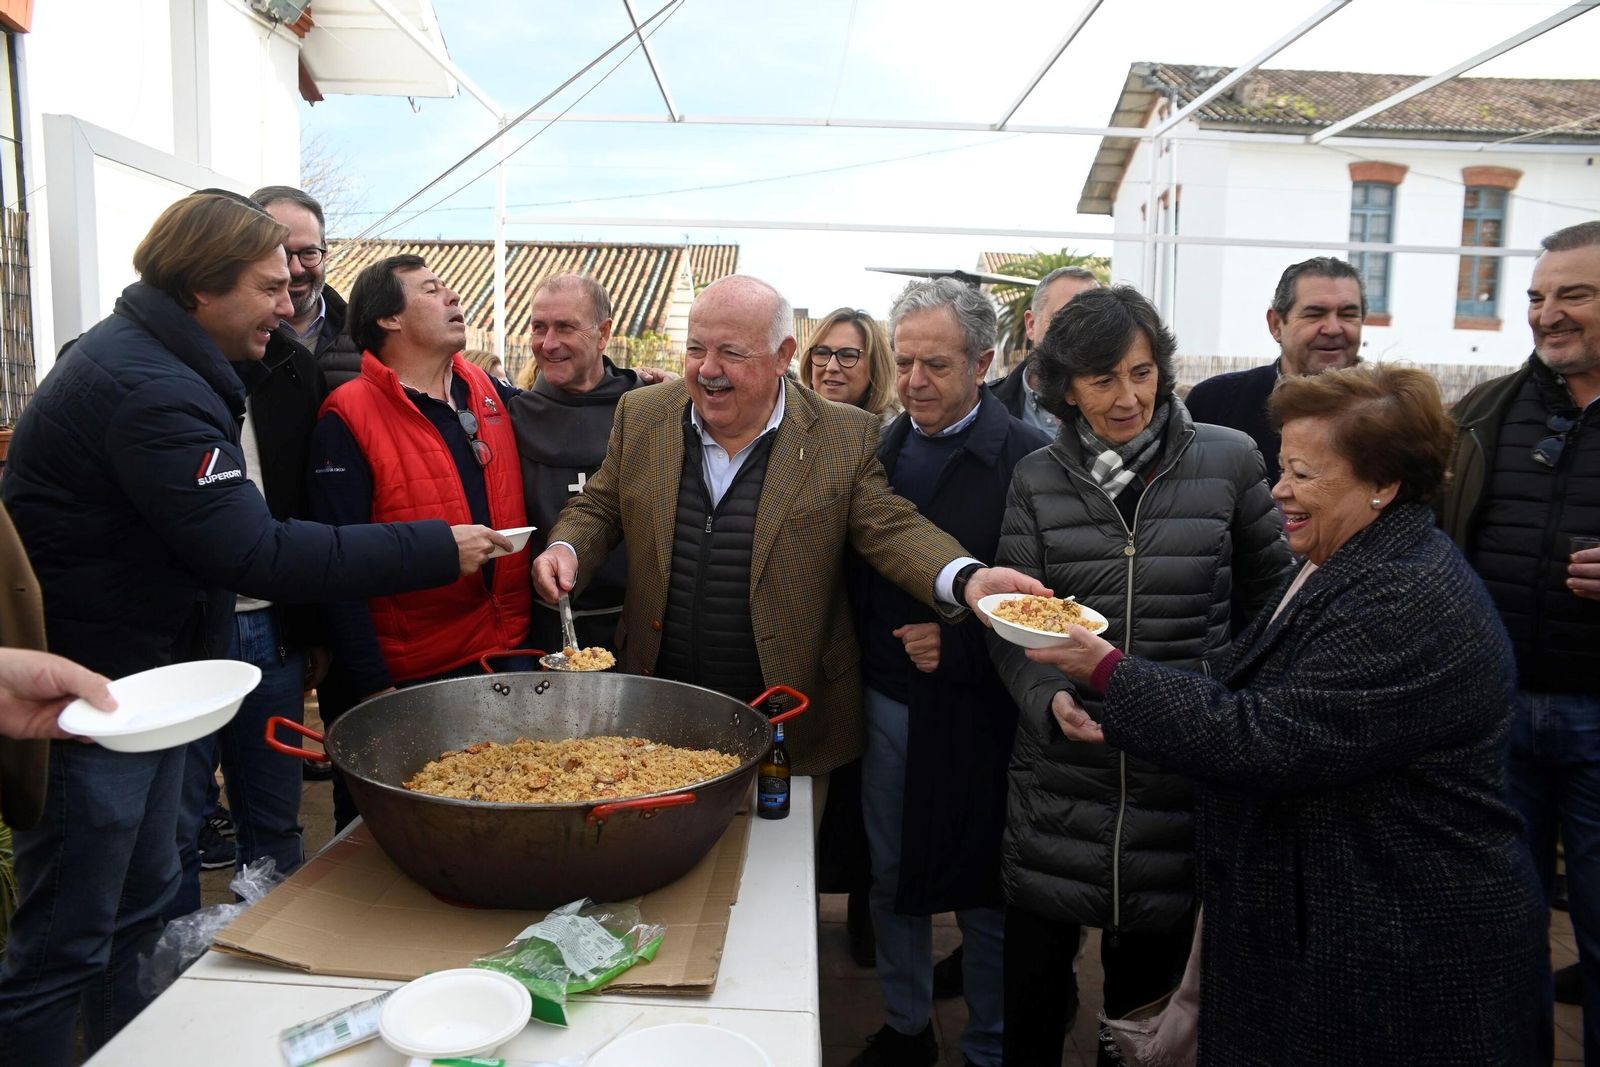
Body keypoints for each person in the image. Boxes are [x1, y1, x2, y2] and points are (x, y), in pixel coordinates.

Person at [0, 190, 506, 1065]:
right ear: (204, 287)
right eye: (271, 286)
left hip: (148, 688)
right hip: (92, 699)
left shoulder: (168, 360)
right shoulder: (147, 387)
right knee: (66, 941)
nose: (291, 303)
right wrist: (431, 546)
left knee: (143, 910)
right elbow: (254, 549)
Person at [1040, 363, 1542, 1066]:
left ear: (1383, 483)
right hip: (1349, 916)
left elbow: (1268, 736)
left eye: (1303, 473)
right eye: (1282, 467)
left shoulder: (1401, 596)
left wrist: (1105, 670)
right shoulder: (1349, 558)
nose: (1279, 490)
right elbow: (1248, 675)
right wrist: (1117, 696)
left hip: (1402, 941)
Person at [531, 274, 1048, 777]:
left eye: (732, 353)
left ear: (783, 355)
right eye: (696, 350)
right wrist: (568, 549)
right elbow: (599, 506)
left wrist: (967, 578)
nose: (709, 370)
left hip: (784, 718)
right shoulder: (644, 415)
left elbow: (890, 527)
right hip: (659, 710)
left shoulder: (841, 435)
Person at [989, 285, 1291, 1067]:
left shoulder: (1228, 459)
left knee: (1144, 1011)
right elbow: (1012, 626)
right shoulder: (1037, 478)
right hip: (1059, 778)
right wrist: (1049, 697)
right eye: (1102, 379)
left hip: (1176, 774)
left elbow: (1273, 608)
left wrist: (1220, 705)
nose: (1129, 397)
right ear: (1064, 387)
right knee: (1032, 995)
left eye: (1142, 371)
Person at [849, 279, 1050, 1067]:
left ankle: (990, 1046)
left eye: (936, 364)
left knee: (984, 887)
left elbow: (1055, 603)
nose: (915, 382)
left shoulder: (1031, 462)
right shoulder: (874, 451)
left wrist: (960, 645)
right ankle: (906, 1029)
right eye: (904, 362)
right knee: (891, 873)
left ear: (984, 362)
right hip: (888, 700)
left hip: (986, 712)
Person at [1438, 219, 1600, 1064]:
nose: (1547, 313)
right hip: (1496, 722)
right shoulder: (1484, 412)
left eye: (1573, 294)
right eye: (1538, 296)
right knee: (1503, 937)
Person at [309, 255, 533, 824]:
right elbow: (337, 567)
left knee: (508, 816)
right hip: (413, 674)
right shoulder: (348, 416)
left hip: (505, 654)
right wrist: (370, 685)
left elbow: (565, 410)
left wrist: (633, 386)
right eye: (432, 290)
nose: (453, 297)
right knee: (404, 825)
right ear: (388, 319)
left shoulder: (485, 390)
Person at [169, 190, 339, 915]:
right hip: (182, 634)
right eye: (275, 272)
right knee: (172, 827)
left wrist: (316, 624)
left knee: (275, 818)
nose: (293, 281)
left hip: (272, 626)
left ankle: (276, 952)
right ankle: (168, 979)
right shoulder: (142, 374)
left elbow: (309, 505)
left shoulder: (294, 367)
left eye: (306, 255)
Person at [510, 274, 650, 653]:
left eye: (565, 327)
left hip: (636, 626)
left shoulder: (650, 410)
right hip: (541, 625)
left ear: (603, 334)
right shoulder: (512, 415)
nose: (548, 343)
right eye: (539, 327)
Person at [1184, 256, 1364, 484]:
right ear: (1276, 324)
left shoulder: (1391, 416)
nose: (1333, 328)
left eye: (1348, 314)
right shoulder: (1214, 405)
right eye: (1314, 314)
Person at [250, 186, 361, 388]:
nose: (296, 269)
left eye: (309, 253)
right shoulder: (233, 342)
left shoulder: (366, 337)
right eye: (281, 253)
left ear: (325, 253)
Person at [988, 266, 1101, 434]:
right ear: (1031, 324)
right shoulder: (986, 406)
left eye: (1090, 321)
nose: (1077, 331)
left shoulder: (1122, 406)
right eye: (1062, 318)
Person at [797, 306, 899, 421]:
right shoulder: (785, 427)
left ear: (875, 366)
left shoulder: (895, 435)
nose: (831, 367)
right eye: (822, 353)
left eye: (848, 355)